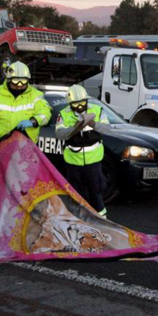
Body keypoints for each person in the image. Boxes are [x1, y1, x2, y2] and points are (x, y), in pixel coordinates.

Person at [0, 61, 51, 169]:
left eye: (23, 82)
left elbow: (45, 113)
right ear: (8, 79)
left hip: (25, 148)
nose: (20, 86)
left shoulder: (36, 95)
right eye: (16, 81)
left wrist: (34, 121)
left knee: (24, 182)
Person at [55, 85, 110, 218]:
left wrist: (93, 124)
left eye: (82, 102)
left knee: (95, 189)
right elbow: (59, 134)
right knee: (75, 191)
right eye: (76, 103)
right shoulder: (63, 114)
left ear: (87, 100)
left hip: (93, 159)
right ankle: (77, 217)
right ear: (70, 103)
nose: (80, 106)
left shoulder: (97, 110)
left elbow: (107, 129)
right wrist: (74, 129)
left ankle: (101, 217)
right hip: (73, 160)